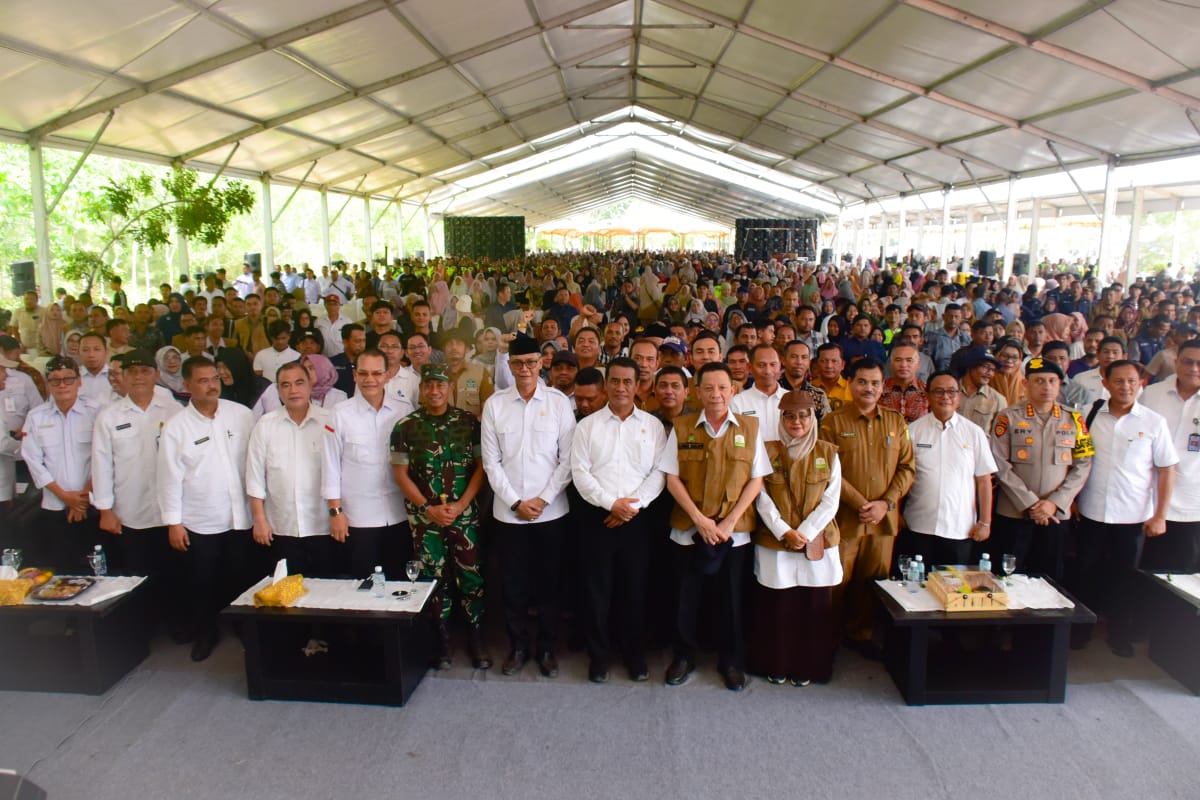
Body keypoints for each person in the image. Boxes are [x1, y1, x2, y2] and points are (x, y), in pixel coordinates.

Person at [658, 361, 771, 691]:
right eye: (708, 388)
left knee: (731, 600)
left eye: (722, 387)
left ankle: (731, 661)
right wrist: (700, 519)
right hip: (689, 528)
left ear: (732, 390)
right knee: (685, 598)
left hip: (733, 532)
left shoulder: (750, 428)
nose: (716, 394)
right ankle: (683, 656)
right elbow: (671, 478)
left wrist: (730, 521)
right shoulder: (683, 426)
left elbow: (757, 479)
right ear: (697, 392)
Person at [481, 336, 575, 677]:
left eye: (531, 362)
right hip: (509, 514)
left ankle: (547, 648)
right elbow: (491, 463)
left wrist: (542, 500)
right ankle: (518, 647)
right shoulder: (495, 405)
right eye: (518, 363)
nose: (525, 369)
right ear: (510, 365)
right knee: (513, 585)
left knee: (550, 584)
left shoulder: (559, 403)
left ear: (541, 363)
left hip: (551, 513)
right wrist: (517, 502)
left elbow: (567, 460)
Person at [570, 357, 667, 683]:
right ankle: (599, 657)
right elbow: (580, 474)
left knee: (635, 590)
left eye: (628, 381)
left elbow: (659, 473)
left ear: (638, 385)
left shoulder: (652, 426)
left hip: (637, 522)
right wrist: (611, 504)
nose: (621, 388)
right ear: (606, 384)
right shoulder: (587, 426)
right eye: (615, 381)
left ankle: (633, 654)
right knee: (596, 591)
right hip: (597, 519)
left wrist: (630, 508)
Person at [156, 357, 256, 661]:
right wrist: (173, 523)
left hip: (241, 515)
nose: (211, 385)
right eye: (202, 380)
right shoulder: (176, 427)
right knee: (202, 581)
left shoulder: (242, 415)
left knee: (240, 575)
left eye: (215, 378)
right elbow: (168, 478)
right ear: (187, 386)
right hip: (200, 520)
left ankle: (242, 627)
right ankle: (205, 633)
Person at [1075, 360, 1177, 657]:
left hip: (1133, 515)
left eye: (1132, 381)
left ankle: (1119, 634)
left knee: (1125, 577)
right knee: (1086, 574)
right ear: (1105, 383)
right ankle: (1081, 631)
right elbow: (1078, 462)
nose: (1126, 387)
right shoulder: (1089, 415)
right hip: (1092, 510)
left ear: (1141, 383)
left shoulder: (1153, 422)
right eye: (1118, 381)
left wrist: (1160, 515)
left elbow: (1167, 469)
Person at [391, 364, 488, 670]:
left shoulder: (468, 422)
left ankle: (476, 639)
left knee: (471, 576)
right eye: (429, 385)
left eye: (441, 385)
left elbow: (481, 468)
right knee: (433, 579)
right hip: (426, 519)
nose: (435, 391)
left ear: (450, 388)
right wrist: (426, 508)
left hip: (464, 516)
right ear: (421, 389)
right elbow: (400, 473)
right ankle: (441, 642)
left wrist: (461, 506)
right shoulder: (405, 426)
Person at [817, 357, 915, 654]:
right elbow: (826, 469)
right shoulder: (833, 422)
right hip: (845, 517)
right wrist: (861, 503)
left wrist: (885, 503)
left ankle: (860, 634)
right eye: (862, 382)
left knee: (872, 579)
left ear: (883, 386)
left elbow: (907, 468)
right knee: (837, 580)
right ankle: (828, 636)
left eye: (875, 383)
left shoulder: (896, 421)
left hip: (883, 520)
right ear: (851, 384)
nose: (868, 388)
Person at [747, 390, 841, 686]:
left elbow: (831, 500)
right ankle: (777, 664)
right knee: (779, 608)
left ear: (813, 418)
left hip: (817, 542)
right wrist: (783, 531)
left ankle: (808, 667)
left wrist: (807, 532)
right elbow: (760, 496)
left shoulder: (828, 452)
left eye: (803, 416)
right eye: (790, 416)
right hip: (776, 542)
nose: (796, 422)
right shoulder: (767, 451)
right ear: (781, 418)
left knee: (814, 608)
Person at [990, 357, 1094, 580]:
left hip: (1055, 513)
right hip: (1014, 512)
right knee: (1007, 576)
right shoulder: (1007, 417)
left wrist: (1053, 503)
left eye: (1051, 381)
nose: (1046, 387)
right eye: (1038, 381)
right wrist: (1030, 503)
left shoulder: (1075, 419)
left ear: (1059, 385)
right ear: (1025, 384)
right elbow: (999, 463)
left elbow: (1083, 465)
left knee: (1050, 576)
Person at [91, 350, 182, 600]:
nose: (138, 377)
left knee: (175, 574)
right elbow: (101, 465)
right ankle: (141, 628)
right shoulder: (109, 417)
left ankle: (178, 627)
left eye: (144, 371)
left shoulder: (174, 412)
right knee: (137, 577)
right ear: (123, 376)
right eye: (131, 372)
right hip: (130, 512)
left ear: (157, 375)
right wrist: (105, 510)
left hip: (171, 513)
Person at [245, 361, 338, 581]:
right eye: (285, 385)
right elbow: (254, 476)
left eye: (299, 383)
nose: (293, 390)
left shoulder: (329, 421)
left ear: (310, 385)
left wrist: (338, 515)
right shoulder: (265, 425)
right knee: (286, 598)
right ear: (277, 390)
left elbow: (340, 474)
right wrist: (259, 519)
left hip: (324, 526)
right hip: (281, 527)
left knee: (327, 592)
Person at [896, 371, 997, 568]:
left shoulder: (973, 432)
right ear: (927, 396)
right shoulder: (913, 431)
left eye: (951, 392)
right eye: (939, 391)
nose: (945, 397)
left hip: (960, 528)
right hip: (918, 524)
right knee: (915, 587)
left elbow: (984, 480)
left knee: (953, 589)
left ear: (959, 396)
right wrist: (897, 513)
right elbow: (900, 474)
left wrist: (985, 522)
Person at [20, 355, 101, 572]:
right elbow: (33, 461)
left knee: (97, 568)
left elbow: (103, 458)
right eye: (55, 380)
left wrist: (82, 499)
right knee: (63, 568)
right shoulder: (37, 417)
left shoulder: (96, 412)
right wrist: (66, 497)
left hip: (92, 505)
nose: (62, 385)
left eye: (68, 379)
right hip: (55, 506)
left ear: (79, 381)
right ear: (47, 383)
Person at [1141, 338, 1200, 573]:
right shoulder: (1152, 394)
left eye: (1199, 363)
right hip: (1147, 501)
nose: (1193, 368)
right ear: (1176, 362)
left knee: (1184, 579)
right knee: (1146, 574)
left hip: (1192, 504)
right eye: (1188, 362)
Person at [730, 344, 786, 440]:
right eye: (761, 365)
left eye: (773, 365)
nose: (768, 371)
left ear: (780, 366)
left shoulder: (791, 399)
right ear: (750, 367)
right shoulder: (737, 402)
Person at [440, 327, 493, 417]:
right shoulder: (435, 373)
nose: (454, 347)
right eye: (449, 344)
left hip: (472, 429)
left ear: (467, 348)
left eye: (459, 343)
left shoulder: (481, 373)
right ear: (443, 348)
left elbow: (488, 410)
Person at [957, 346, 1006, 434]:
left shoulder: (998, 400)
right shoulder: (950, 392)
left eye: (993, 370)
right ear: (971, 365)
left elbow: (999, 437)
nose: (990, 373)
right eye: (986, 367)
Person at [879, 343, 928, 423]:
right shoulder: (879, 390)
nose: (903, 365)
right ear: (891, 364)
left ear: (918, 364)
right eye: (898, 360)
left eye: (909, 360)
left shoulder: (927, 392)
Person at [812, 343, 851, 411]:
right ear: (817, 364)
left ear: (843, 365)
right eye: (824, 361)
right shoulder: (808, 388)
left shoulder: (852, 389)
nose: (829, 366)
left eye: (834, 361)